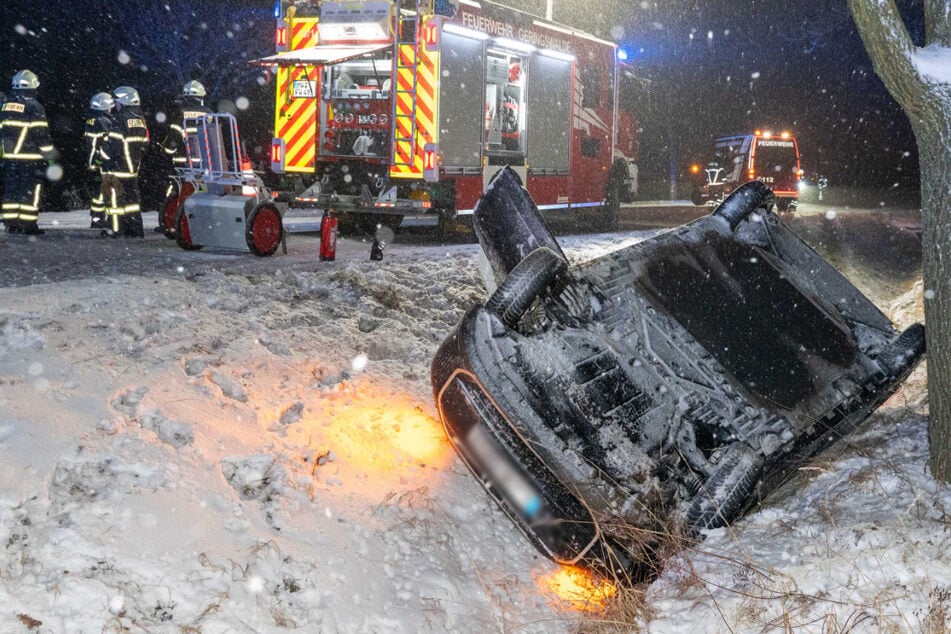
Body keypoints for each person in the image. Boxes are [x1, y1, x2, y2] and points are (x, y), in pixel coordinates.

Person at [0, 70, 56, 235]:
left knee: (11, 190)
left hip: (10, 158)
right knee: (31, 191)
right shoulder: (34, 106)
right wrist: (50, 157)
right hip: (30, 158)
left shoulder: (6, 105)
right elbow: (42, 134)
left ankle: (11, 224)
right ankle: (29, 225)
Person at [101, 86, 149, 238]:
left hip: (118, 167)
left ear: (123, 101)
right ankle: (135, 230)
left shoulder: (120, 119)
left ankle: (116, 230)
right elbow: (145, 143)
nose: (115, 105)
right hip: (133, 167)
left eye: (116, 102)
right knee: (132, 202)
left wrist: (102, 155)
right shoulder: (140, 118)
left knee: (115, 201)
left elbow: (112, 144)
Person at [84, 92, 115, 229]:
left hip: (98, 161)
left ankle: (97, 218)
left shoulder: (93, 120)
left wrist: (91, 162)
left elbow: (90, 145)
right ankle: (107, 218)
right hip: (104, 161)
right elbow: (97, 144)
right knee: (107, 191)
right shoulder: (104, 121)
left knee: (99, 192)